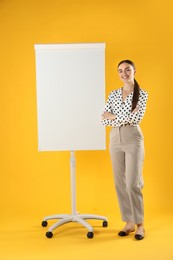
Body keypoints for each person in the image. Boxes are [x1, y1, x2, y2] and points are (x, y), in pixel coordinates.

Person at [101, 60, 148, 240]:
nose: (124, 73)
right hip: (115, 139)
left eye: (127, 70)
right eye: (120, 71)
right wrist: (118, 117)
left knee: (132, 183)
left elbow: (136, 118)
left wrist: (113, 116)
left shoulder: (142, 94)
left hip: (133, 138)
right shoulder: (113, 95)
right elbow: (104, 119)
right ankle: (128, 221)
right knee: (119, 183)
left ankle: (140, 224)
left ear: (134, 71)